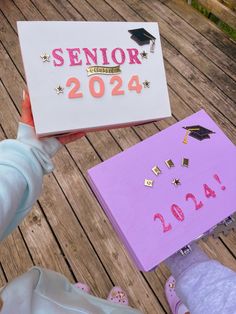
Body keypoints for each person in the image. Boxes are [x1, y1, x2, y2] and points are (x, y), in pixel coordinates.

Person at [1, 91, 236, 314]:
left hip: (33, 299)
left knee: (73, 300)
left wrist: (30, 150)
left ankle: (89, 303)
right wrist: (190, 267)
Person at [0, 90, 141, 314]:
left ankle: (82, 300)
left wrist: (31, 149)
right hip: (28, 301)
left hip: (30, 298)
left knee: (67, 296)